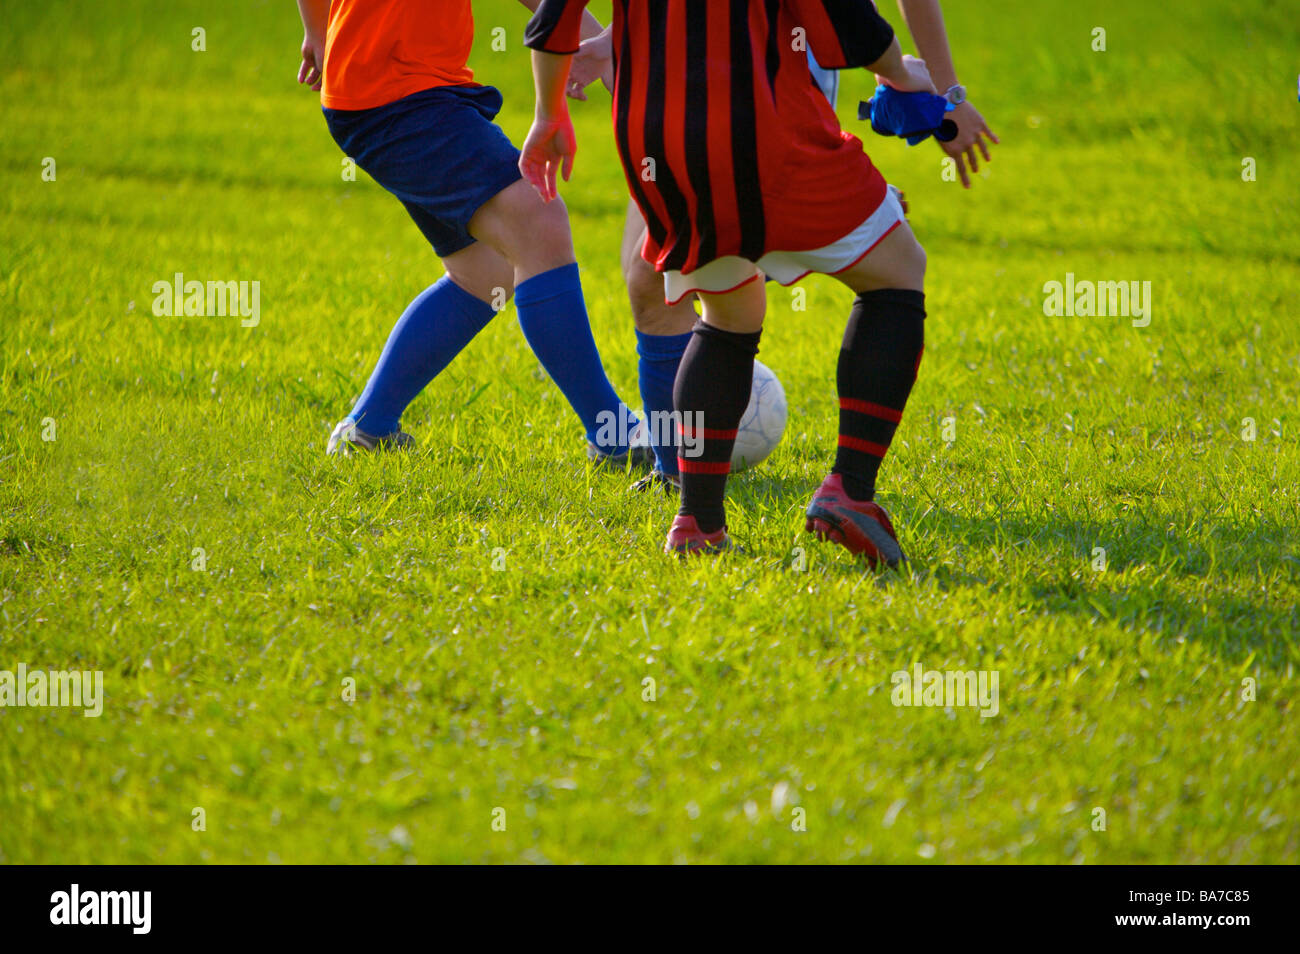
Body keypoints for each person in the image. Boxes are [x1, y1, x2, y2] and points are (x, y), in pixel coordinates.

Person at [521, 0, 943, 563]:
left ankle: (697, 523)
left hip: (658, 144)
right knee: (896, 273)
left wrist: (548, 115)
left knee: (727, 314)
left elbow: (553, 19)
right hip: (766, 128)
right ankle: (850, 492)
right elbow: (845, 23)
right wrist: (902, 74)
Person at [293, 0, 647, 463]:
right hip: (391, 91)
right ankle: (615, 435)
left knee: (486, 273)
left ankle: (368, 428)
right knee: (537, 219)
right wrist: (318, 31)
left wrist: (600, 45)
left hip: (399, 88)